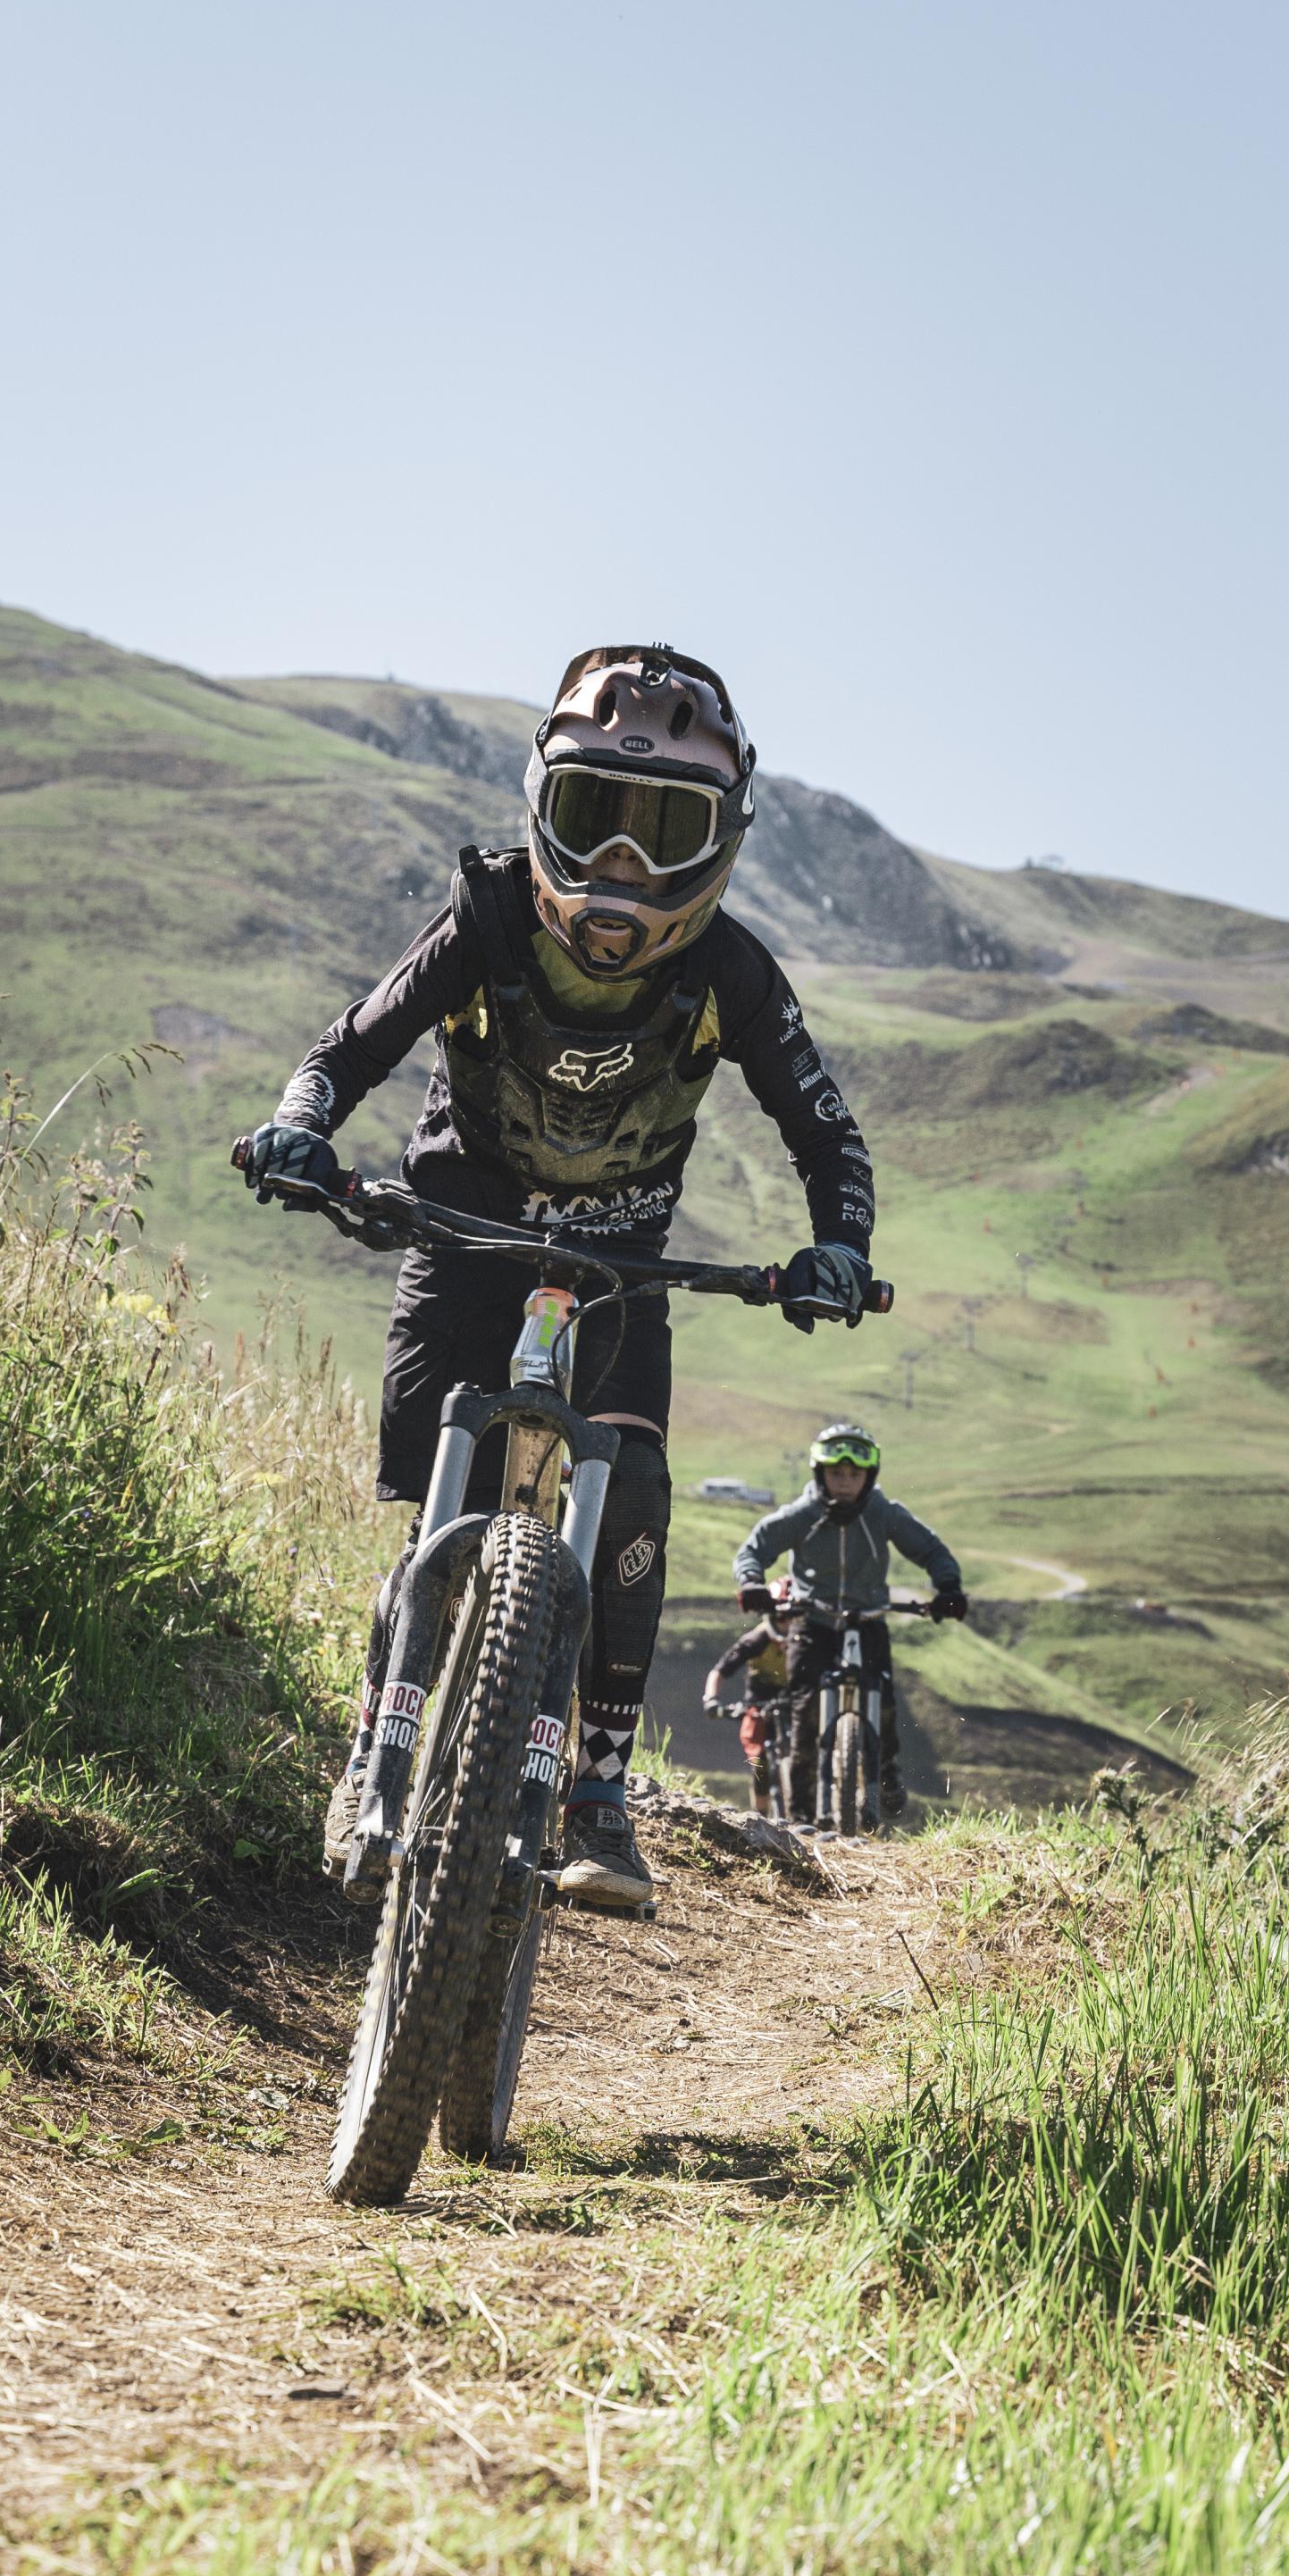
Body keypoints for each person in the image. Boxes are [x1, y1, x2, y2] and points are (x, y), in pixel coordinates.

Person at [235, 643, 875, 1917]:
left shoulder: (732, 974)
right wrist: (302, 1129)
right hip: (461, 1226)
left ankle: (593, 1790)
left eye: (664, 830)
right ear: (541, 806)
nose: (623, 868)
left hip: (619, 1260)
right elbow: (342, 1051)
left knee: (631, 1494)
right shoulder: (485, 920)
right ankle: (379, 1747)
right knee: (432, 1506)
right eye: (596, 817)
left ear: (721, 841)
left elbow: (828, 1137)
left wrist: (840, 1247)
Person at [730, 1423, 966, 1822]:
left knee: (886, 1705)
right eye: (836, 1474)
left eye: (854, 1475)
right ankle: (801, 1820)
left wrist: (949, 1586)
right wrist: (752, 1583)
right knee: (804, 1716)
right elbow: (755, 1548)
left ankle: (887, 1772)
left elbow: (929, 1548)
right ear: (820, 1474)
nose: (845, 1483)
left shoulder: (883, 1513)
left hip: (868, 1620)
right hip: (812, 1622)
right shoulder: (802, 1514)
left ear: (868, 1477)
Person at [701, 1574, 802, 1814]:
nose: (786, 1625)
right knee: (759, 1760)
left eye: (793, 1618)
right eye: (781, 1618)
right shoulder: (756, 1639)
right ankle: (761, 1816)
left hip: (797, 1699)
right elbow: (720, 1671)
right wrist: (711, 1700)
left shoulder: (807, 1641)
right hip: (759, 1703)